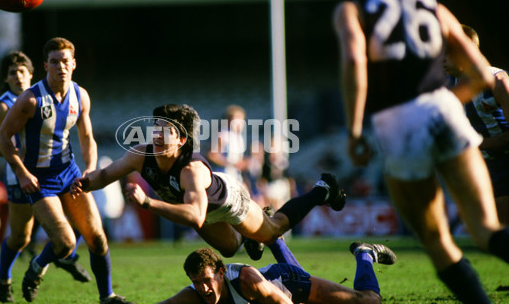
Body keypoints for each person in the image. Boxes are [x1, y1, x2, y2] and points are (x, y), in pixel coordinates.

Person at [333, 0, 509, 304]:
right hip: (443, 109)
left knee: (439, 242)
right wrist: (446, 103)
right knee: (487, 230)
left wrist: (355, 129)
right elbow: (481, 73)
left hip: (399, 120)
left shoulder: (352, 9)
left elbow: (354, 64)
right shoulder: (432, 5)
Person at [71, 103, 346, 261]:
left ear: (181, 140)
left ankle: (322, 190)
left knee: (273, 231)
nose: (156, 134)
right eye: (155, 126)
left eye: (165, 130)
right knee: (229, 249)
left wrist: (148, 202)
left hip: (226, 201)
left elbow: (195, 215)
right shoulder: (141, 154)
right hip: (199, 210)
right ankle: (249, 236)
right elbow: (105, 175)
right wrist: (84, 183)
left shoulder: (191, 169)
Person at [0, 38, 137, 304]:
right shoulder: (30, 99)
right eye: (54, 62)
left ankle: (106, 296)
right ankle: (36, 268)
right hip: (40, 180)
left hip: (70, 173)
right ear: (45, 66)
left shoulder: (80, 95)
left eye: (65, 61)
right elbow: (2, 137)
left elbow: (86, 136)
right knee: (65, 243)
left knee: (96, 236)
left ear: (74, 64)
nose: (61, 66)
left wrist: (90, 168)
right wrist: (22, 173)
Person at [0, 51, 92, 303]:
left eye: (22, 71)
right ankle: (2, 276)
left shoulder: (42, 95)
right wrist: (16, 157)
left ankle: (65, 256)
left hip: (54, 173)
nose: (18, 76)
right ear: (6, 79)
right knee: (22, 236)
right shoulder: (5, 105)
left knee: (75, 222)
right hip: (20, 177)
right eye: (12, 73)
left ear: (32, 74)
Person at [83, 238, 396, 304]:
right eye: (196, 282)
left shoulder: (244, 278)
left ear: (220, 272)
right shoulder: (195, 294)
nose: (203, 288)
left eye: (207, 280)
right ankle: (274, 239)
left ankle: (364, 254)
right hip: (272, 298)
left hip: (286, 284)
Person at [445, 25, 509, 226]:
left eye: (449, 53)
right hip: (489, 165)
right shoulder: (449, 87)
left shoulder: (498, 82)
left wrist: (472, 144)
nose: (442, 59)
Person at [206, 104, 248, 183]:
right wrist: (230, 163)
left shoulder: (239, 137)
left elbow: (239, 159)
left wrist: (244, 163)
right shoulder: (222, 134)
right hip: (222, 176)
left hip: (235, 176)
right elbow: (212, 155)